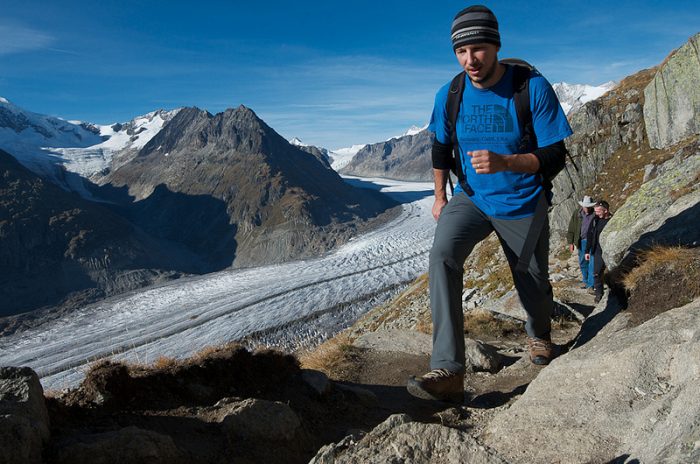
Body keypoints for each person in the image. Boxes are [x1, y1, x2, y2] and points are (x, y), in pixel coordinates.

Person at [406, 5, 573, 403]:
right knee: (443, 255)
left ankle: (540, 336)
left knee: (530, 278)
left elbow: (556, 154)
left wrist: (507, 162)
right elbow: (440, 146)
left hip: (523, 200)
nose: (470, 60)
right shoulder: (450, 93)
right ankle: (448, 368)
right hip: (472, 197)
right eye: (461, 52)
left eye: (478, 49)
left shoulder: (530, 87)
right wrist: (440, 195)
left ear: (496, 46)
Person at [567, 195, 597, 290]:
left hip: (593, 241)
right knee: (583, 262)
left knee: (592, 262)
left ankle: (590, 285)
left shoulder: (595, 214)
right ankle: (585, 281)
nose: (587, 208)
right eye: (585, 206)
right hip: (581, 241)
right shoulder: (577, 213)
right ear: (582, 206)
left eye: (588, 207)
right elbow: (571, 228)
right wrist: (571, 242)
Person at [585, 200, 612, 303]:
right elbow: (589, 235)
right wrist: (587, 251)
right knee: (596, 273)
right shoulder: (595, 220)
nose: (596, 213)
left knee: (613, 271)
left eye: (598, 211)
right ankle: (599, 294)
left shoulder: (613, 220)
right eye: (595, 211)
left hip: (609, 250)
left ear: (606, 210)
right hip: (597, 250)